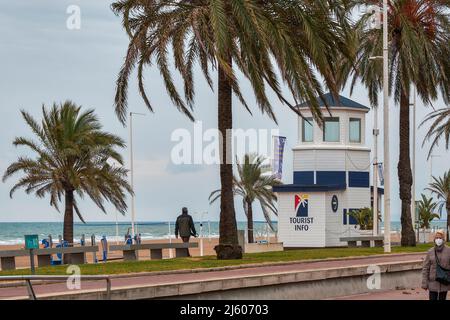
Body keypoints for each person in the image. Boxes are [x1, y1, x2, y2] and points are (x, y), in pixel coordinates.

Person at [422, 230, 450, 300]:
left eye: (440, 238)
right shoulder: (430, 251)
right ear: (434, 239)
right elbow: (426, 268)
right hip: (432, 282)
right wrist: (424, 283)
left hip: (444, 282)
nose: (438, 239)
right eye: (437, 238)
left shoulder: (449, 251)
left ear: (443, 239)